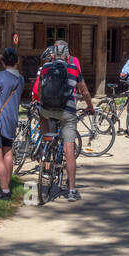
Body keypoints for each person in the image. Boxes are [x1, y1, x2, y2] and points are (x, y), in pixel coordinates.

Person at [35, 39, 95, 201]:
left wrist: (42, 101)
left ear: (54, 55)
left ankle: (45, 142)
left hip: (47, 110)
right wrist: (90, 106)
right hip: (67, 112)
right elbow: (84, 91)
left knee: (43, 119)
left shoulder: (46, 67)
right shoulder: (74, 68)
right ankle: (72, 190)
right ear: (68, 56)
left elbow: (40, 88)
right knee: (69, 150)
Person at [0, 47, 24, 199]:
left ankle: (4, 190)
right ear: (17, 61)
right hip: (12, 118)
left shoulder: (0, 76)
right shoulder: (21, 78)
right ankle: (7, 185)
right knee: (8, 152)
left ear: (2, 61)